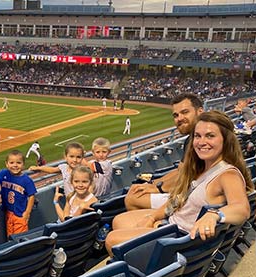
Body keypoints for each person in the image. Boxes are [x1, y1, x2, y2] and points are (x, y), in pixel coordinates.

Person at [106, 111, 253, 255]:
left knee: (112, 240)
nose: (202, 142)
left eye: (210, 136)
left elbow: (242, 208)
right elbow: (177, 200)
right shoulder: (202, 167)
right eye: (197, 136)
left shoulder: (228, 174)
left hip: (179, 239)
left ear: (225, 140)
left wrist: (214, 215)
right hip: (172, 223)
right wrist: (153, 218)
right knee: (119, 221)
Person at [124, 93, 204, 211]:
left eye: (185, 112)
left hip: (194, 199)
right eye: (176, 115)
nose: (180, 118)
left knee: (132, 198)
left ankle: (155, 226)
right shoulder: (192, 138)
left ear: (200, 111)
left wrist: (159, 188)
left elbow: (189, 177)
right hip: (194, 193)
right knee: (138, 190)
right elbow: (181, 171)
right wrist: (154, 183)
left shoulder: (201, 139)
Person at [0, 150, 37, 236]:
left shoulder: (26, 180)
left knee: (20, 238)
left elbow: (31, 196)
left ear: (23, 164)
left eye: (18, 163)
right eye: (11, 163)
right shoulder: (4, 173)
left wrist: (27, 212)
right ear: (7, 164)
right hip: (8, 213)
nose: (15, 165)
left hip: (20, 214)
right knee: (10, 237)